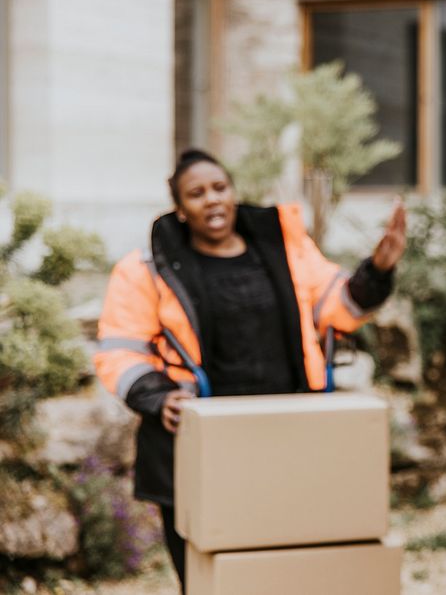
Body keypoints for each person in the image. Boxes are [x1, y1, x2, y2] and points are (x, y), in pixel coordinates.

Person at [94, 149, 406, 591]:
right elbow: (120, 351)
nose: (212, 200)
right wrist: (157, 396)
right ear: (180, 209)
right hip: (196, 444)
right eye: (196, 194)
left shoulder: (286, 248)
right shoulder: (144, 269)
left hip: (284, 436)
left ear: (234, 193)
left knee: (280, 571)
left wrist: (377, 270)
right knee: (209, 575)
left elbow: (342, 306)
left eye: (220, 188)